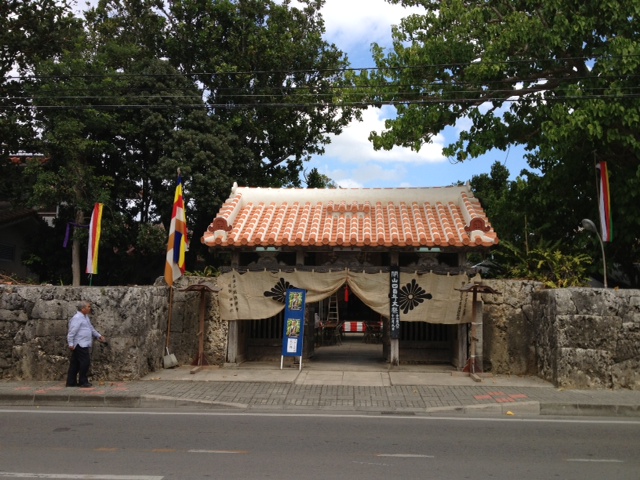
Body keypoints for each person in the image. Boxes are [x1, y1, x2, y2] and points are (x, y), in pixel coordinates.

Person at [66, 301, 107, 388]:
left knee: (75, 363)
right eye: (88, 307)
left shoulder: (85, 317)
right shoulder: (77, 318)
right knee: (85, 362)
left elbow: (91, 328)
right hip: (80, 343)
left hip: (83, 343)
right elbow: (72, 332)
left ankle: (71, 382)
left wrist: (98, 336)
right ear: (83, 308)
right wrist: (70, 343)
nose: (89, 308)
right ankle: (83, 381)